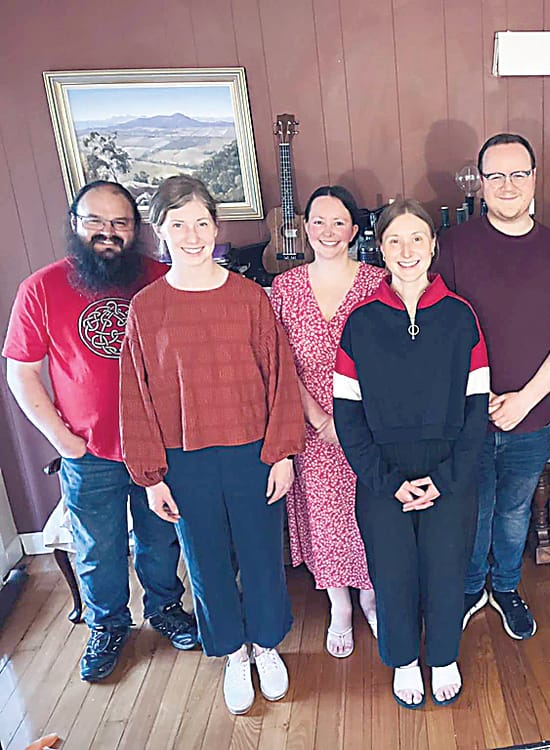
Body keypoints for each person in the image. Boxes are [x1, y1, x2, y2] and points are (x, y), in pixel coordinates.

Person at [119, 175, 304, 715]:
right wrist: (151, 477)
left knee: (262, 556)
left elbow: (280, 377)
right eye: (178, 224)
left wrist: (283, 453)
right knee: (205, 562)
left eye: (201, 222)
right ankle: (231, 652)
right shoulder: (147, 307)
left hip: (252, 453)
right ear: (159, 232)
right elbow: (137, 395)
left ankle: (266, 646)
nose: (192, 235)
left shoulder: (250, 298)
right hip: (185, 459)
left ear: (216, 227)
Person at [3, 180, 197, 683]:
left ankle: (165, 610)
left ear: (137, 230)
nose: (108, 233)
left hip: (159, 447)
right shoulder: (41, 288)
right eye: (96, 221)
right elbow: (21, 372)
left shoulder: (163, 277)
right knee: (97, 547)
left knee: (160, 538)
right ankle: (108, 627)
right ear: (75, 223)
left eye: (120, 223)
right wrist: (63, 440)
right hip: (89, 452)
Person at [436, 133, 550, 640]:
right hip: (467, 417)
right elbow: (436, 333)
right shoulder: (454, 247)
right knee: (472, 508)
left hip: (531, 417)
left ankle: (505, 587)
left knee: (514, 511)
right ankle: (469, 588)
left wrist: (525, 399)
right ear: (481, 184)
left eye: (518, 174)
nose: (508, 185)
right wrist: (476, 401)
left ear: (534, 180)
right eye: (496, 175)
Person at [333, 199, 489, 708]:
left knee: (446, 568)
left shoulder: (461, 317)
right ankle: (403, 659)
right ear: (379, 248)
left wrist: (444, 480)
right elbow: (348, 415)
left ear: (433, 246)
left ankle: (443, 655)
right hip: (383, 475)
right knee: (392, 572)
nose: (407, 250)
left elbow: (476, 408)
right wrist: (387, 481)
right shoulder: (361, 322)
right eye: (395, 240)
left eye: (417, 238)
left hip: (451, 471)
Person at [270, 186, 382, 659]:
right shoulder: (285, 288)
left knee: (373, 514)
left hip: (373, 424)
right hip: (312, 428)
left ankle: (373, 599)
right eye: (319, 221)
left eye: (339, 222)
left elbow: (395, 357)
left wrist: (354, 420)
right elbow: (279, 363)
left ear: (354, 230)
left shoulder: (380, 281)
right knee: (327, 516)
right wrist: (320, 419)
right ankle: (339, 605)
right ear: (304, 227)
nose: (328, 232)